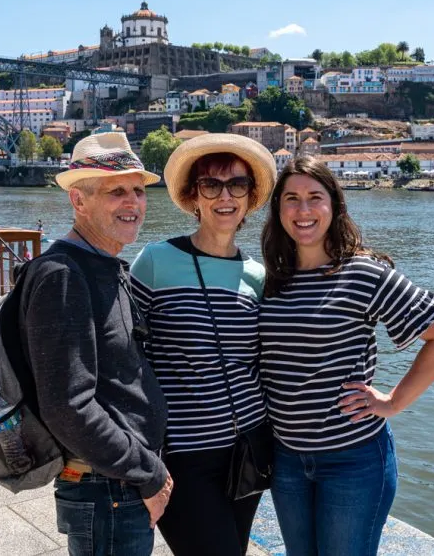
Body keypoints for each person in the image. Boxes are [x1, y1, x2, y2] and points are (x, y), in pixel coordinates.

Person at [258, 157, 434, 556]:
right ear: (278, 208)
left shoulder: (363, 273)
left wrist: (393, 402)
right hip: (286, 460)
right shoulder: (272, 280)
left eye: (315, 198)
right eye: (291, 199)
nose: (303, 210)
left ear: (334, 206)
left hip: (352, 460)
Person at [20, 131, 172, 556]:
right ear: (79, 201)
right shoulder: (63, 275)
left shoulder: (105, 266)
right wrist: (148, 474)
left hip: (118, 484)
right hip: (108, 487)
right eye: (116, 191)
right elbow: (68, 405)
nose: (133, 203)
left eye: (138, 191)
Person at [130, 134, 277, 556]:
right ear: (194, 196)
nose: (224, 195)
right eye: (211, 185)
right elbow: (124, 353)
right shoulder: (156, 261)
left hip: (248, 446)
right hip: (183, 455)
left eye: (237, 184)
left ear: (250, 197)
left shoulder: (257, 275)